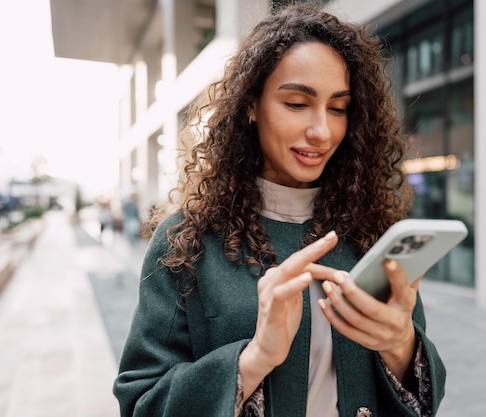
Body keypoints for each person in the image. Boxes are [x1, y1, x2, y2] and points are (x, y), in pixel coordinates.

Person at [113, 4, 446, 417]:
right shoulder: (186, 241)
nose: (322, 131)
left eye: (338, 108)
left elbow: (422, 398)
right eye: (296, 103)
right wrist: (253, 360)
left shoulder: (371, 232)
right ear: (251, 105)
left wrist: (401, 345)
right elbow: (141, 401)